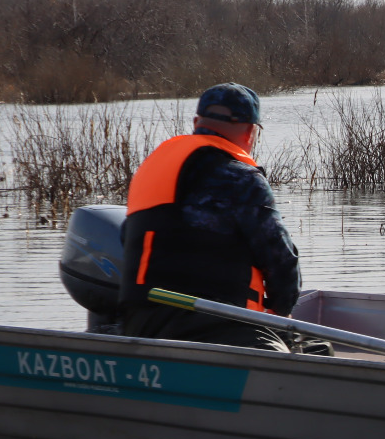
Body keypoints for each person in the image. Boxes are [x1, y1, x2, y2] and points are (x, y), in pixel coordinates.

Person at [118, 83, 309, 353]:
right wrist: (281, 312)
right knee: (315, 350)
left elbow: (127, 238)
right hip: (218, 323)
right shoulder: (242, 179)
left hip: (145, 321)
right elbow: (280, 259)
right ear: (250, 131)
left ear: (197, 122)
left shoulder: (150, 170)